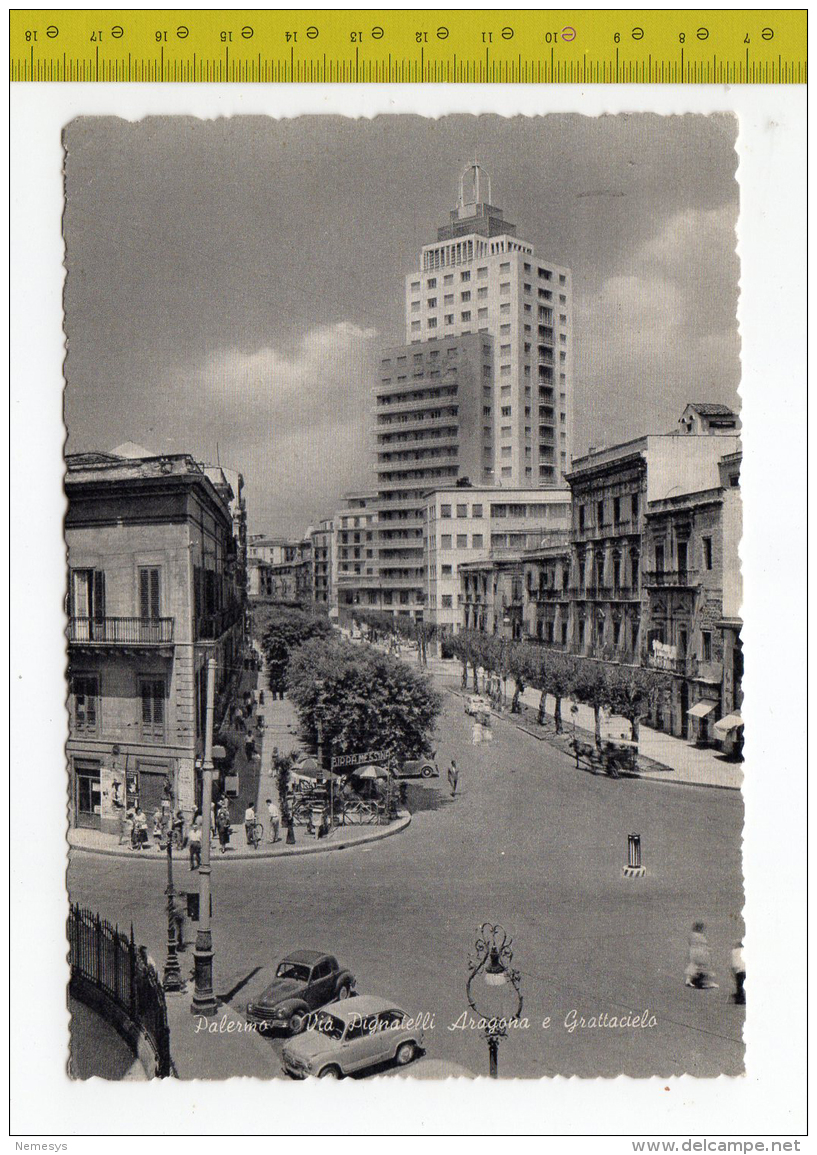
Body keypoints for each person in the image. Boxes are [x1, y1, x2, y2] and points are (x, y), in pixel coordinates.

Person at [685, 921, 718, 989]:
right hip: (700, 954)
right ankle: (706, 982)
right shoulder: (700, 937)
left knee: (694, 965)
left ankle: (688, 980)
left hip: (693, 953)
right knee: (705, 967)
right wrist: (708, 949)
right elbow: (702, 945)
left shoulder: (691, 936)